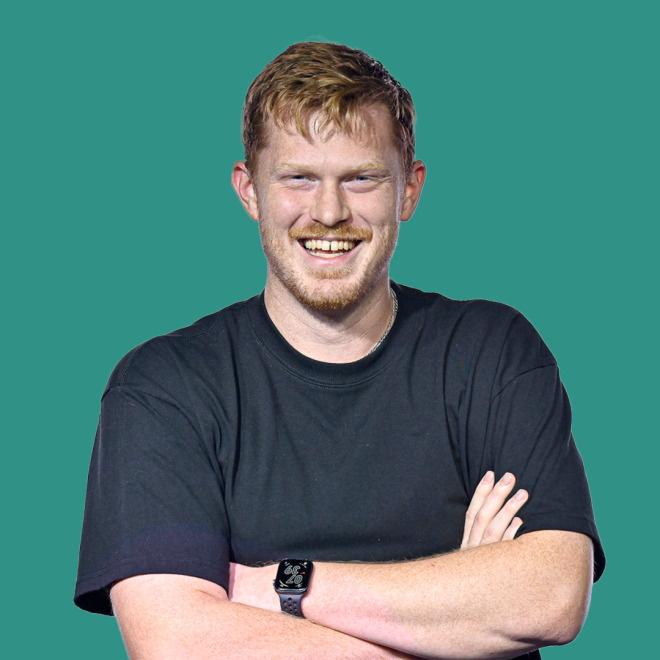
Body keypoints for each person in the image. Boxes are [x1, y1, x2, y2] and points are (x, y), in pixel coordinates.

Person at [75, 42, 604, 659]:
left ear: (409, 189)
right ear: (249, 191)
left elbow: (552, 597)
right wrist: (458, 617)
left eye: (361, 178)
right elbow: (176, 641)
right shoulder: (165, 386)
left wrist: (281, 586)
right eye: (298, 177)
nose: (329, 212)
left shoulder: (490, 353)